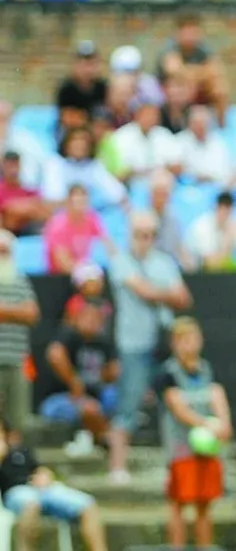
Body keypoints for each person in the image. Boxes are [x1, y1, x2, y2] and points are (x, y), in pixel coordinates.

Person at [107, 211, 192, 484]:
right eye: (141, 234)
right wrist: (164, 294)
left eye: (151, 235)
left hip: (163, 343)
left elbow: (183, 298)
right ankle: (117, 467)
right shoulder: (120, 262)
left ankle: (173, 465)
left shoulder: (163, 261)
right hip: (133, 343)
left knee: (174, 404)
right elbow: (147, 292)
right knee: (128, 404)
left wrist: (159, 293)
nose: (146, 240)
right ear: (131, 234)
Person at [154, 317, 233, 549]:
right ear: (174, 343)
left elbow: (217, 396)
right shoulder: (167, 374)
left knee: (204, 504)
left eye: (193, 338)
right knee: (179, 503)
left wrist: (223, 424)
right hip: (181, 449)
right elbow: (177, 408)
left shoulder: (207, 370)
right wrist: (207, 424)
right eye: (183, 339)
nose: (189, 344)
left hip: (208, 450)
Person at [0, 420, 108, 551]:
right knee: (31, 504)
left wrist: (44, 475)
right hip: (17, 493)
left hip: (43, 490)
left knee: (87, 503)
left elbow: (39, 468)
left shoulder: (22, 451)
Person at [39, 300, 118, 456]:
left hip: (95, 398)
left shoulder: (103, 342)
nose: (91, 322)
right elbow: (54, 355)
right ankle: (106, 438)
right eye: (87, 317)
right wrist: (73, 381)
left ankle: (96, 435)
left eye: (96, 318)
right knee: (89, 409)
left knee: (116, 396)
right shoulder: (67, 336)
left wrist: (110, 373)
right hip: (61, 398)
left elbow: (114, 372)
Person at [0, 230, 39, 434]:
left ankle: (15, 463)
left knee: (18, 420)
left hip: (17, 358)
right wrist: (17, 311)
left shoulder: (20, 279)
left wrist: (4, 311)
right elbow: (24, 312)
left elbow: (32, 314)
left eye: (6, 251)